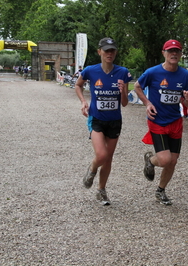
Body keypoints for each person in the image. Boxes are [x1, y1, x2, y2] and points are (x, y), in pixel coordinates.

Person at [134, 39, 188, 205]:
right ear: (164, 53)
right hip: (157, 120)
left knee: (173, 161)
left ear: (181, 54)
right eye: (170, 51)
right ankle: (151, 160)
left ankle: (160, 190)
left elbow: (187, 103)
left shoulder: (184, 75)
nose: (173, 54)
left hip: (175, 121)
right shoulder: (153, 72)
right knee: (165, 159)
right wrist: (147, 103)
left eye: (177, 51)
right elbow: (137, 87)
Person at [75, 37, 132, 205]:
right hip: (97, 118)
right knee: (102, 154)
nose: (109, 53)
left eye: (112, 50)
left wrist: (122, 91)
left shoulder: (122, 72)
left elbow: (125, 103)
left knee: (108, 158)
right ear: (99, 51)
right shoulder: (90, 71)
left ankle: (101, 190)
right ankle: (92, 169)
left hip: (115, 120)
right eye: (106, 50)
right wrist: (83, 102)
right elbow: (78, 85)